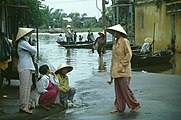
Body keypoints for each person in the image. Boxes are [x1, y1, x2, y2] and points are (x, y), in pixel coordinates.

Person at [106, 24, 140, 113]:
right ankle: (120, 107)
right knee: (118, 90)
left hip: (124, 70)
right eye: (113, 32)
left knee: (125, 89)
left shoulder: (125, 41)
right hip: (116, 70)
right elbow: (113, 60)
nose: (114, 33)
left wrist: (122, 65)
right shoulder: (115, 43)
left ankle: (135, 104)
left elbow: (129, 54)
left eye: (115, 32)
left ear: (119, 32)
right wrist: (111, 77)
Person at [15, 27, 37, 114]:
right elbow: (34, 50)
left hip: (27, 66)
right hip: (24, 67)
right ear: (24, 35)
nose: (29, 35)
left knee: (29, 86)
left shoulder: (24, 43)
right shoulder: (22, 43)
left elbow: (33, 52)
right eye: (28, 34)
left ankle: (27, 104)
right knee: (24, 87)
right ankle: (23, 106)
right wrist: (31, 50)